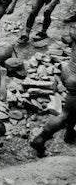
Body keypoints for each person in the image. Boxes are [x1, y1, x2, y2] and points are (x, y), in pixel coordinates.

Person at [30, 27, 76, 156]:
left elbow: (65, 39)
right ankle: (40, 139)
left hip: (67, 72)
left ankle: (69, 133)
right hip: (75, 79)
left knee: (72, 107)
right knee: (66, 114)